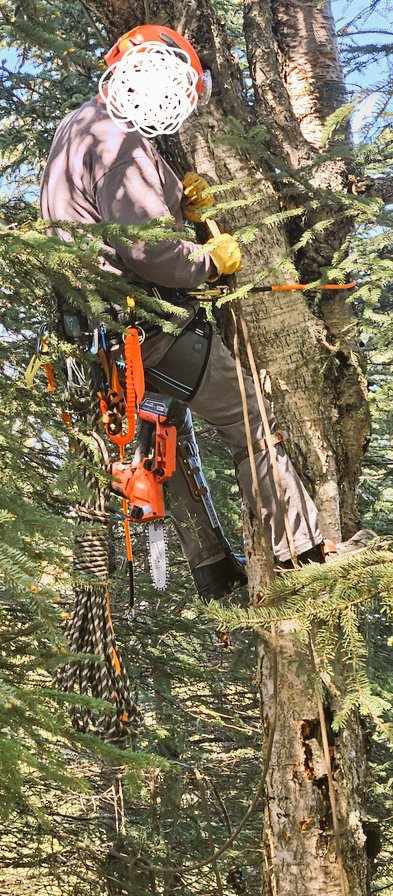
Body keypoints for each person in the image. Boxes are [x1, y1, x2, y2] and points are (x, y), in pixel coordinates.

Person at [40, 23, 373, 599]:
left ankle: (214, 568)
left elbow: (104, 211)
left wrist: (172, 191)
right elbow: (146, 248)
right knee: (253, 424)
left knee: (164, 438)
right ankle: (303, 552)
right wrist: (208, 261)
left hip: (103, 335)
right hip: (150, 325)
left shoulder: (83, 122)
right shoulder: (120, 139)